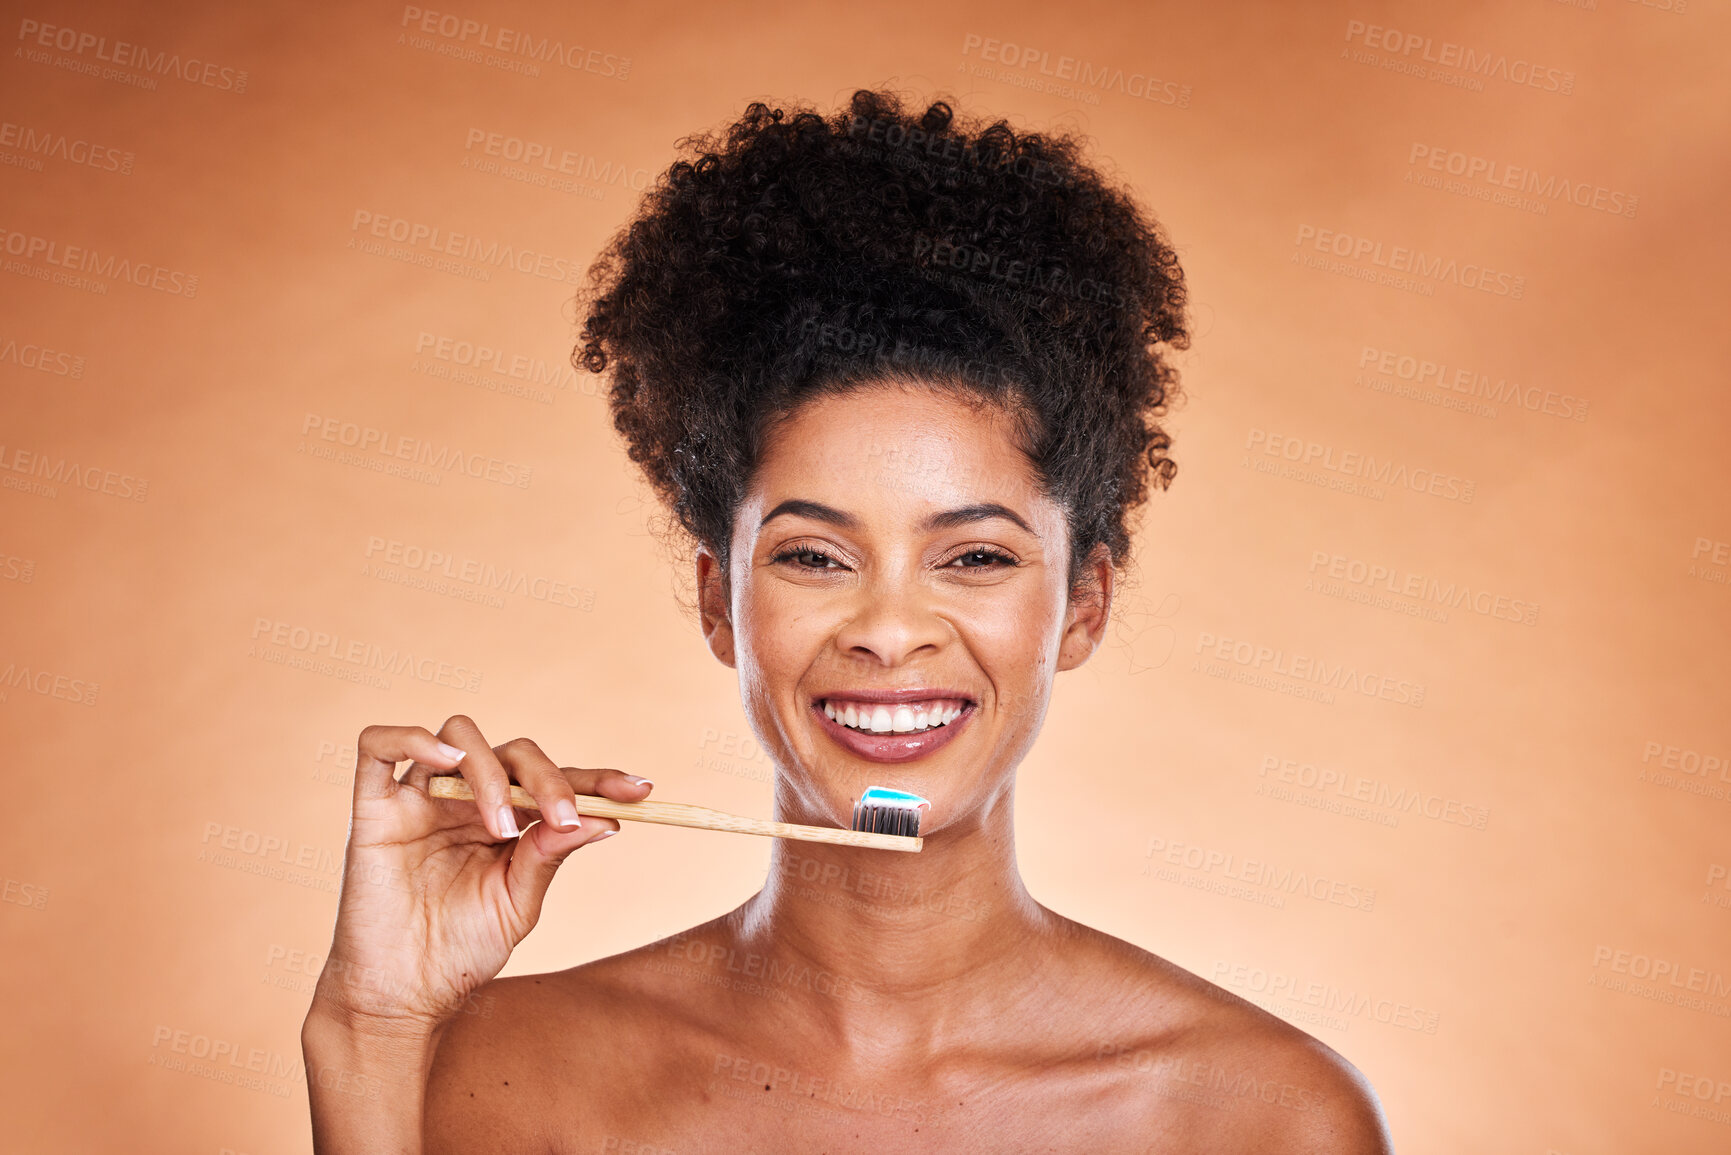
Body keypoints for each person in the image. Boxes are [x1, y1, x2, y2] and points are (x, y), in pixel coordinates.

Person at [301, 88, 1394, 1153]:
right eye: (816, 556)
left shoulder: (1264, 1120)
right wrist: (371, 1029)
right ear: (718, 602)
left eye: (973, 556)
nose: (888, 629)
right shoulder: (511, 1079)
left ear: (1084, 605)